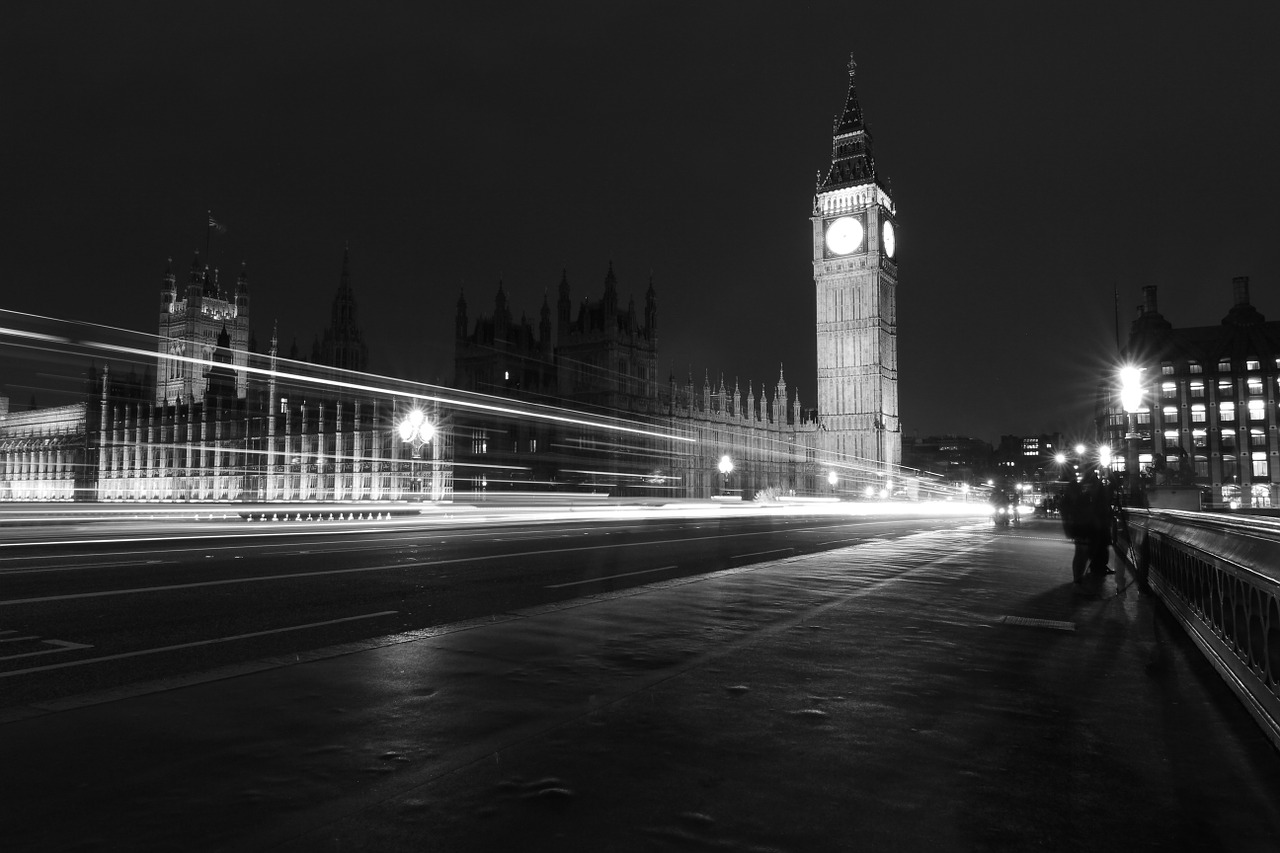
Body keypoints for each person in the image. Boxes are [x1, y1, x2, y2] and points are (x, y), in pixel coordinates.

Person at [1081, 470, 1114, 575]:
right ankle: (1099, 566)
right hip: (1099, 522)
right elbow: (1111, 488)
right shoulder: (1097, 493)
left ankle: (1096, 565)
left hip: (1094, 523)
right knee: (1101, 545)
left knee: (1097, 545)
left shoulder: (1087, 492)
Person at [1059, 474, 1089, 583]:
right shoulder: (1072, 501)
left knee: (1080, 553)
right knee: (1081, 554)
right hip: (1079, 529)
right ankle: (1078, 578)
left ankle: (1078, 577)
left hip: (1076, 529)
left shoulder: (1067, 500)